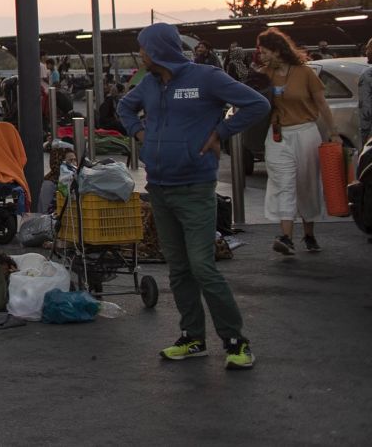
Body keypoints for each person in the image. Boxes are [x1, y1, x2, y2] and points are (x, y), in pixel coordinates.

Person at [117, 23, 268, 370]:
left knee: (202, 266)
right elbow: (125, 109)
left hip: (195, 188)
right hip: (159, 188)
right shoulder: (150, 83)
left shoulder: (207, 77)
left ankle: (236, 340)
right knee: (180, 268)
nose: (140, 54)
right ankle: (192, 337)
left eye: (143, 48)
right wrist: (140, 133)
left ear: (157, 51)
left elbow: (256, 104)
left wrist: (222, 133)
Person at [255, 28, 336, 256]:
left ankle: (309, 233)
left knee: (307, 184)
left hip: (306, 132)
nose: (261, 55)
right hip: (278, 135)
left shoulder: (305, 73)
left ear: (277, 50)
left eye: (264, 51)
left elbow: (321, 104)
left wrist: (334, 132)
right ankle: (286, 237)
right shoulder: (264, 75)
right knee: (283, 184)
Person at [358, 38, 372, 148]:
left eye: (368, 48)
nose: (366, 52)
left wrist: (365, 136)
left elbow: (365, 109)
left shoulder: (368, 74)